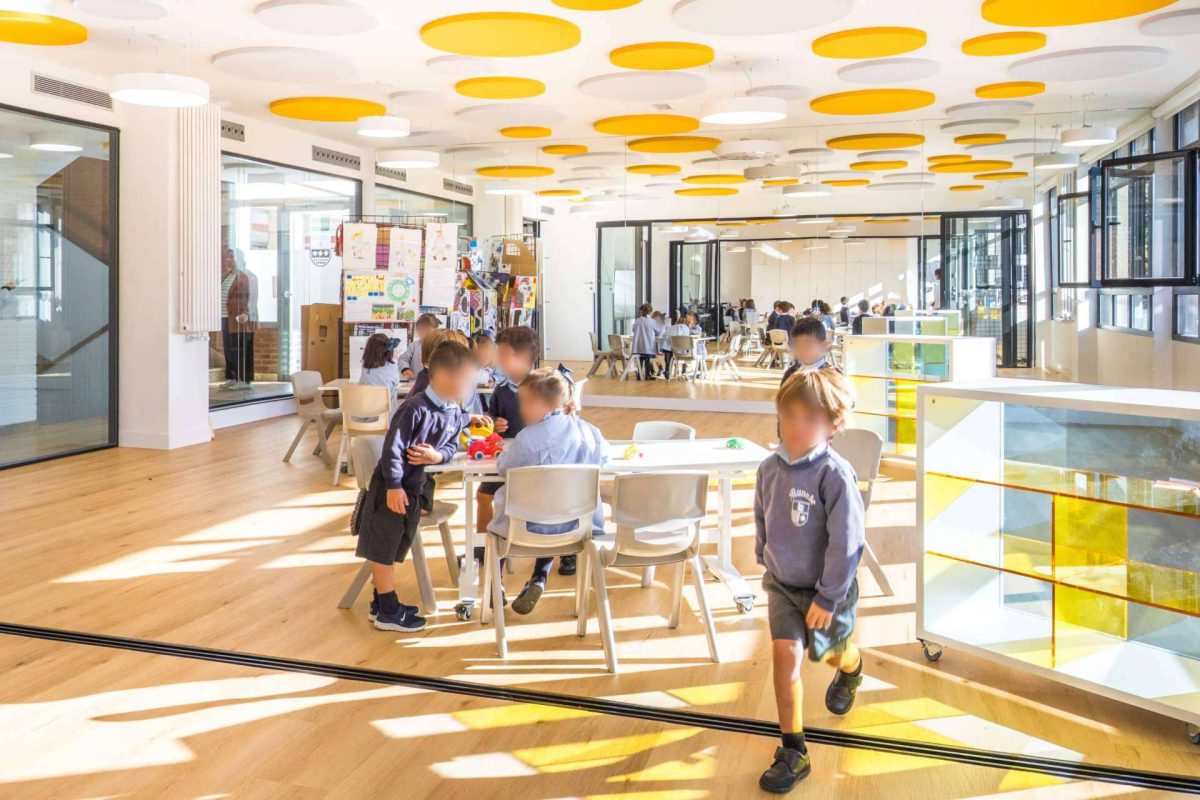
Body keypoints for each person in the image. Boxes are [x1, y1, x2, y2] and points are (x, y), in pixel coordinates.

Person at [756, 369, 866, 792]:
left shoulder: (834, 475)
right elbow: (763, 515)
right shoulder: (769, 468)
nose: (795, 427)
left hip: (827, 590)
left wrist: (828, 596)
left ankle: (852, 670)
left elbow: (847, 542)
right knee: (785, 659)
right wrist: (764, 555)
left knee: (831, 655)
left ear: (833, 425)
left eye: (809, 419)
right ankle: (793, 751)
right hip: (783, 586)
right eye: (789, 415)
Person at [355, 339, 478, 633]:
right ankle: (387, 609)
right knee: (383, 548)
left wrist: (437, 456)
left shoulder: (452, 410)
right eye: (466, 380)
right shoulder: (414, 408)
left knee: (395, 544)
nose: (469, 387)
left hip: (414, 489)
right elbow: (392, 449)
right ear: (444, 376)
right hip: (392, 489)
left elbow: (450, 446)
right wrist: (394, 485)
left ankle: (380, 603)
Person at [488, 368, 608, 615]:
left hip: (524, 528)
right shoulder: (590, 433)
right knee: (555, 509)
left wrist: (501, 454)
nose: (521, 409)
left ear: (544, 404)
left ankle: (496, 585)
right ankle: (539, 577)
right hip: (577, 527)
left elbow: (505, 468)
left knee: (500, 526)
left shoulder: (528, 439)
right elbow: (605, 457)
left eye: (525, 403)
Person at [476, 325, 543, 566]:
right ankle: (482, 547)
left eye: (504, 355)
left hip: (535, 459)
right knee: (483, 495)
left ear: (523, 358)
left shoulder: (543, 386)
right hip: (506, 456)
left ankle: (565, 553)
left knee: (548, 497)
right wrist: (494, 423)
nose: (499, 360)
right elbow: (490, 417)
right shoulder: (502, 390)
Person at [222, 247, 258, 390]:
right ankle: (232, 377)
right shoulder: (227, 276)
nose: (229, 260)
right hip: (226, 317)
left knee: (242, 350)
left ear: (240, 259)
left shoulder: (248, 276)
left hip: (241, 319)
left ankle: (244, 379)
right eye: (227, 257)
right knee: (229, 349)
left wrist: (247, 313)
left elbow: (253, 297)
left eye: (232, 257)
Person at [781, 318, 832, 384]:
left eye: (808, 344)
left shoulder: (831, 377)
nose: (802, 349)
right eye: (797, 344)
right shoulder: (790, 373)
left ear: (823, 345)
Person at [396, 313, 440, 379]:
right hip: (415, 381)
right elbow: (403, 359)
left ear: (436, 330)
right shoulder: (414, 345)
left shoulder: (440, 346)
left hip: (435, 381)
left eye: (428, 331)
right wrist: (405, 369)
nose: (425, 335)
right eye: (421, 332)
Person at [630, 303, 658, 381]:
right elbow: (658, 331)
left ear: (642, 311)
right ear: (651, 312)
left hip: (638, 346)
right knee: (647, 359)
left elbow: (633, 329)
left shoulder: (637, 320)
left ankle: (639, 375)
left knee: (640, 358)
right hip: (648, 346)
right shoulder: (652, 321)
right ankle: (647, 375)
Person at [660, 315, 691, 379]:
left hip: (671, 351)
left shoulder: (670, 328)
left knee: (667, 350)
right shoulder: (686, 328)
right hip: (682, 352)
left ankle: (667, 370)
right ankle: (684, 370)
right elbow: (686, 339)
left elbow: (664, 337)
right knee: (687, 348)